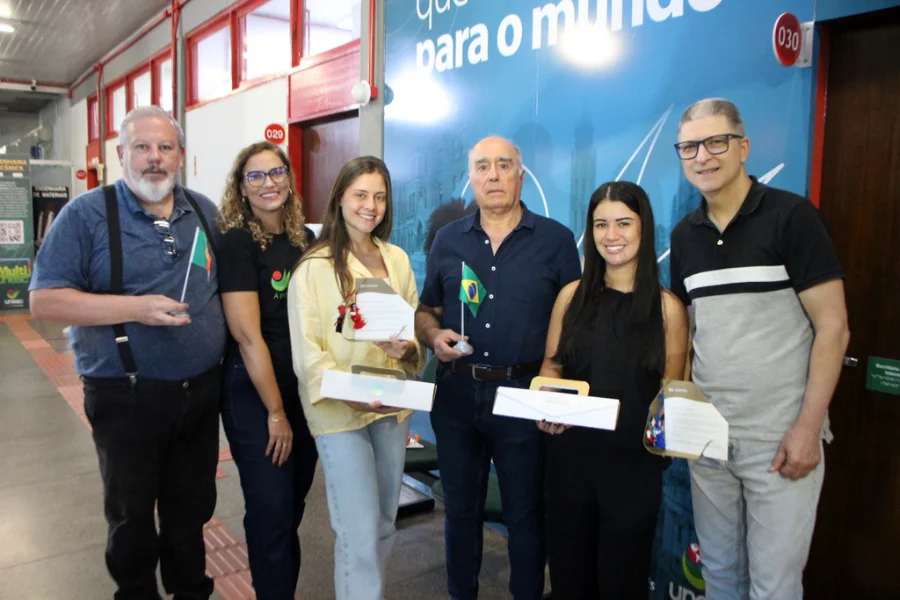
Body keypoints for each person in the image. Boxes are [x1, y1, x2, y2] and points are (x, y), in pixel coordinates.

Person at [28, 105, 225, 600]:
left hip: (199, 394)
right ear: (121, 155)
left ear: (182, 155)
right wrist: (133, 309)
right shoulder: (86, 214)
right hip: (125, 397)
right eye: (142, 147)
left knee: (191, 509)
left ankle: (191, 591)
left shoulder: (203, 210)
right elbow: (44, 300)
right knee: (132, 516)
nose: (153, 158)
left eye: (165, 147)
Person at [669, 98, 849, 600]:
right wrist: (682, 415)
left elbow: (834, 328)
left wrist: (809, 428)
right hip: (708, 440)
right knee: (721, 577)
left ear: (743, 147)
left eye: (715, 142)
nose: (702, 156)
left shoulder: (793, 218)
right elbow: (690, 332)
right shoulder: (685, 236)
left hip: (780, 438)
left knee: (774, 587)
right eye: (689, 147)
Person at [415, 135, 581, 600]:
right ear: (471, 177)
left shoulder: (556, 241)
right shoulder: (448, 240)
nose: (493, 175)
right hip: (457, 397)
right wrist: (432, 335)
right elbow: (426, 310)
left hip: (525, 395)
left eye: (504, 165)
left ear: (521, 174)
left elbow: (577, 322)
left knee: (525, 516)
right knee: (460, 512)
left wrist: (557, 384)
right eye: (483, 166)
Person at [538, 181, 688, 598]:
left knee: (623, 580)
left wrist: (672, 429)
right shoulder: (571, 297)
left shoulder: (667, 309)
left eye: (623, 222)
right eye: (601, 224)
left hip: (633, 470)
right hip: (569, 461)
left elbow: (671, 396)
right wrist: (548, 407)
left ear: (644, 229)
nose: (611, 235)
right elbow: (552, 367)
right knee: (570, 577)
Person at [287, 156, 424, 600]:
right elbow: (309, 357)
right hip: (341, 414)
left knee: (384, 524)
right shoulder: (315, 267)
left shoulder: (396, 259)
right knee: (358, 532)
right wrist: (351, 395)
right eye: (360, 195)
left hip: (390, 406)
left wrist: (406, 349)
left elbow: (413, 332)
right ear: (340, 199)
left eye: (380, 196)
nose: (371, 206)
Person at [218, 141, 318, 599]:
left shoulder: (305, 242)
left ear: (289, 178)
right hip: (255, 394)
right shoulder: (237, 242)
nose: (268, 183)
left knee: (288, 507)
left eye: (275, 172)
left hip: (303, 390)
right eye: (255, 176)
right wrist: (276, 412)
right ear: (241, 187)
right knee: (272, 509)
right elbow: (246, 335)